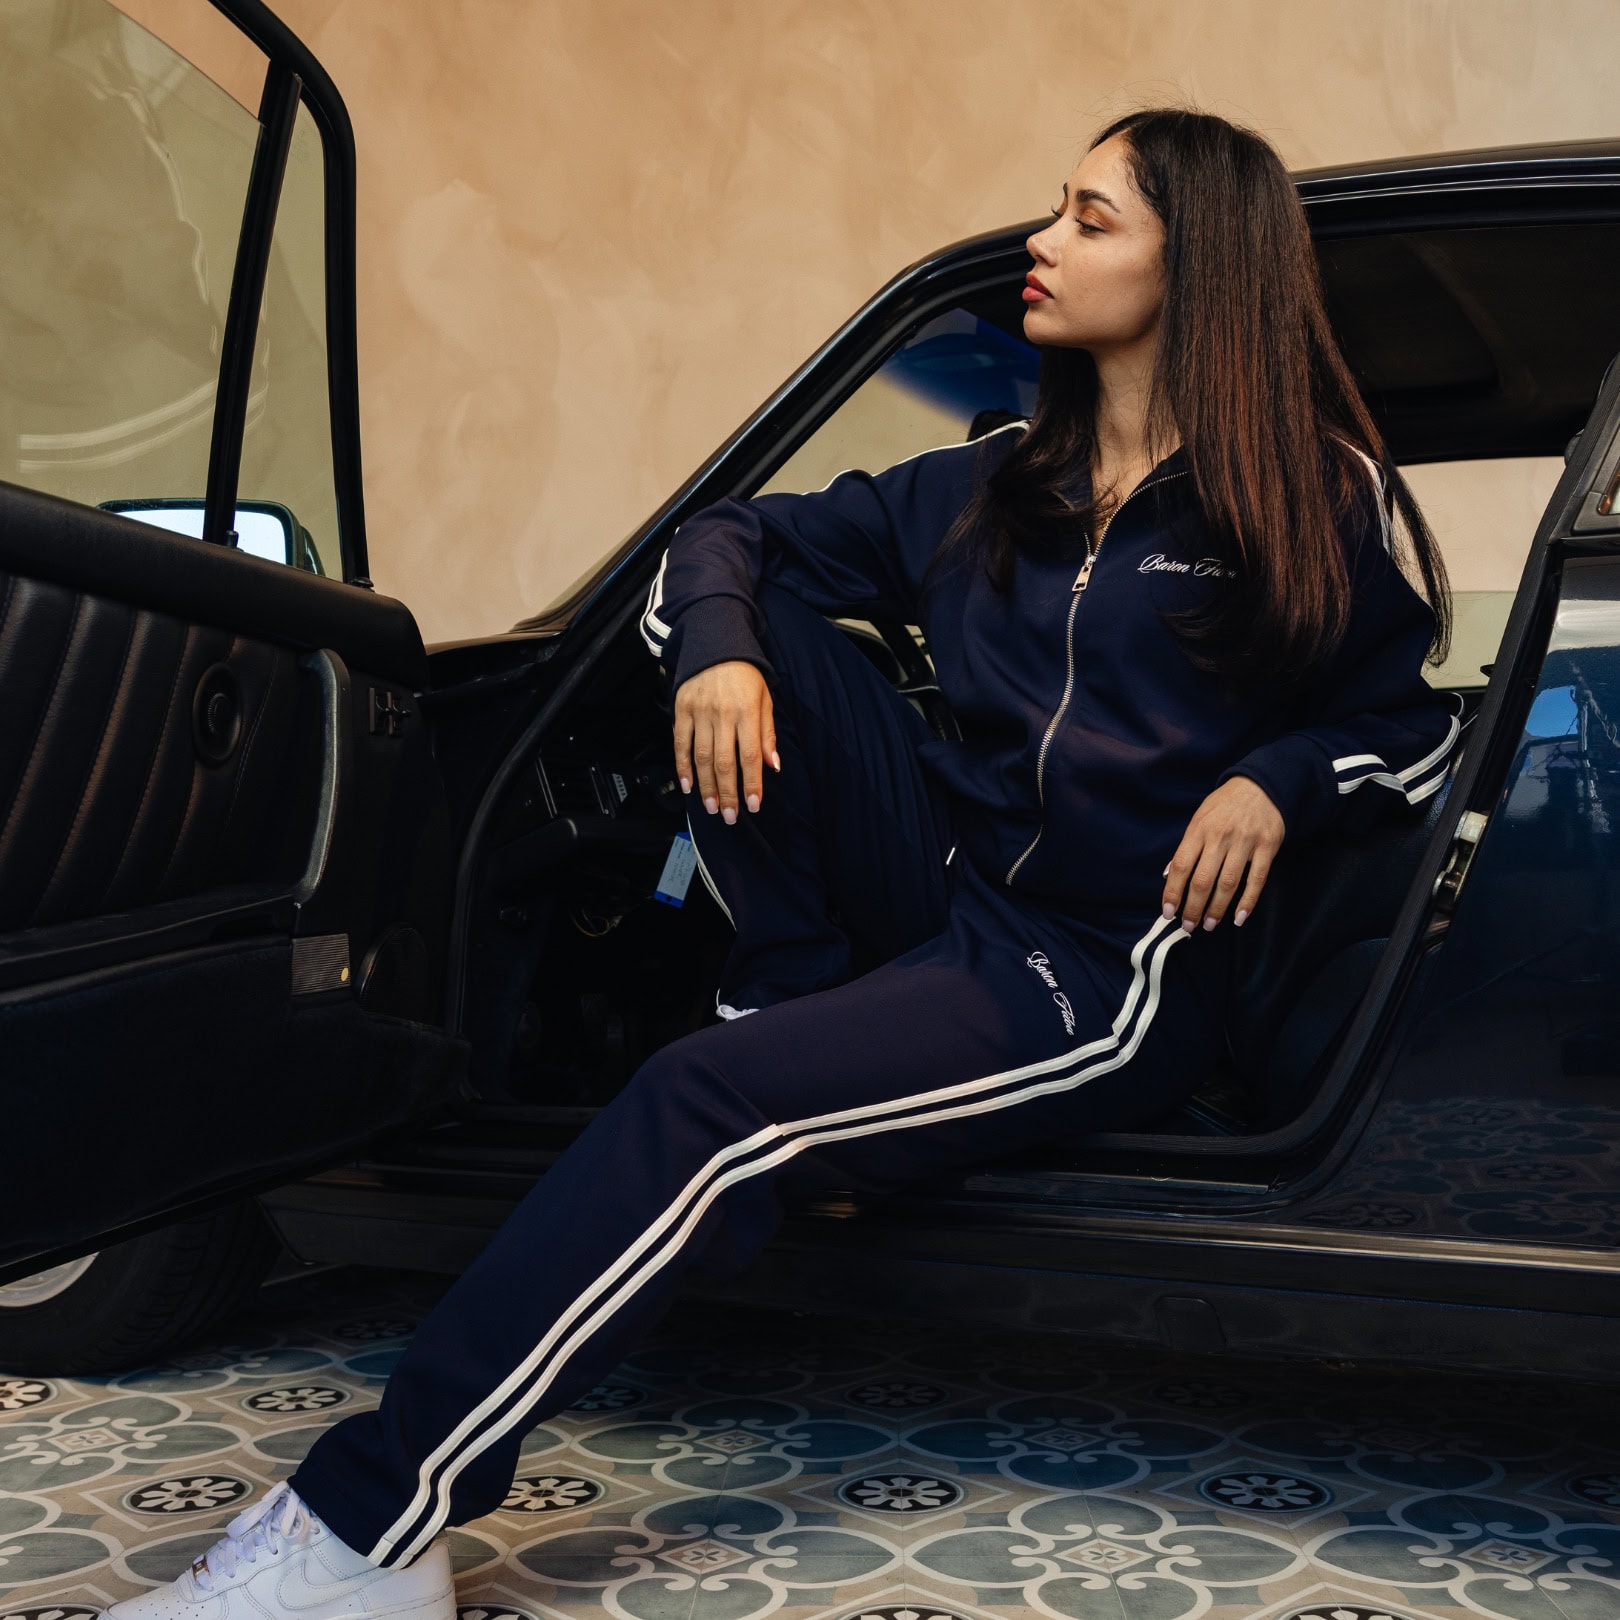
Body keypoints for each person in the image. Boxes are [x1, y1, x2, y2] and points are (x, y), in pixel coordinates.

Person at [103, 106, 1460, 1620]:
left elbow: (1410, 734)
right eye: (1055, 208)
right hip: (950, 888)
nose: (1042, 241)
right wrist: (723, 656)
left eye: (1090, 219)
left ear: (1194, 262)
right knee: (760, 630)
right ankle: (799, 998)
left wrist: (1278, 780)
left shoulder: (1309, 496)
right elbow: (721, 536)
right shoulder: (998, 483)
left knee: (702, 1098)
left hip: (1108, 969)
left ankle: (368, 1528)